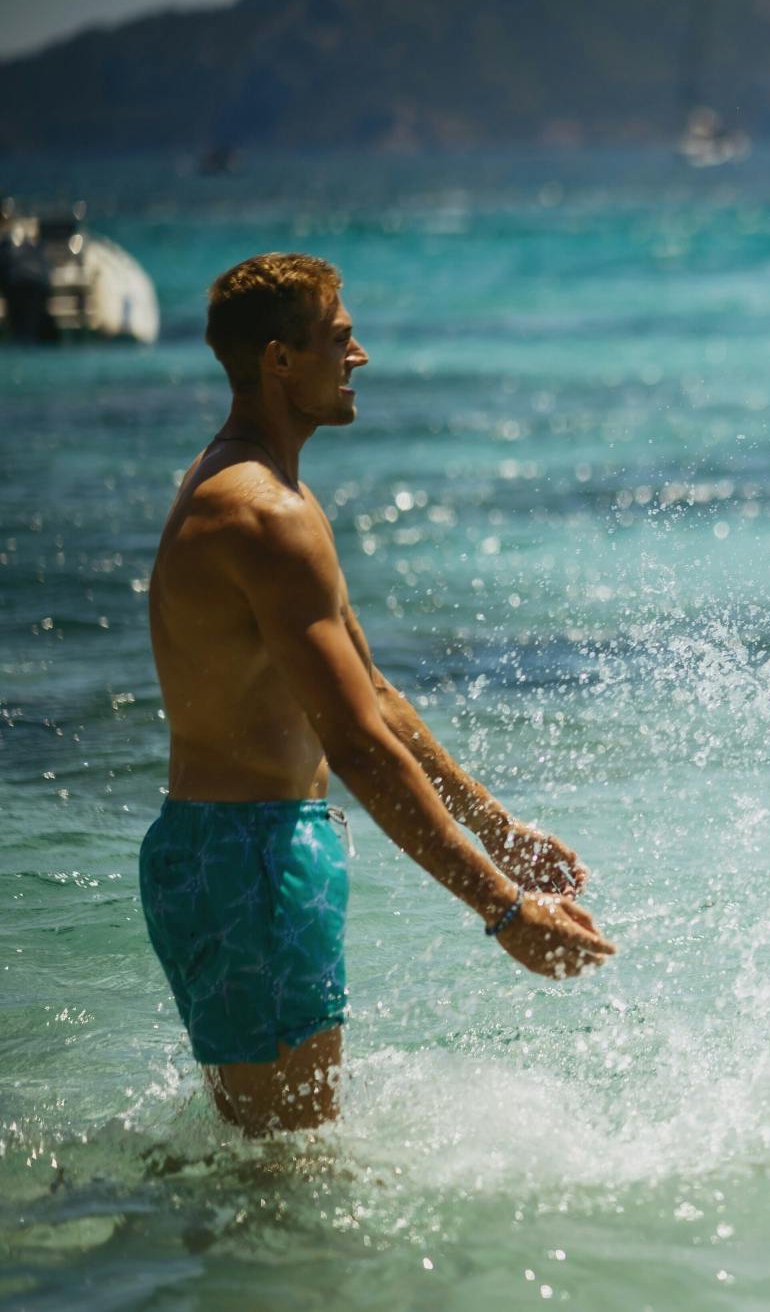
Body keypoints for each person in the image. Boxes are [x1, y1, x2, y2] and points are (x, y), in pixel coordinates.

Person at [142, 253, 615, 1136]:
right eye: (339, 339)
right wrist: (505, 910)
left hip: (232, 851)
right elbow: (357, 744)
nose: (358, 357)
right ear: (280, 359)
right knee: (285, 1170)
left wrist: (500, 830)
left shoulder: (256, 486)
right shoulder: (267, 516)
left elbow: (376, 694)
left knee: (266, 1158)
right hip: (252, 859)